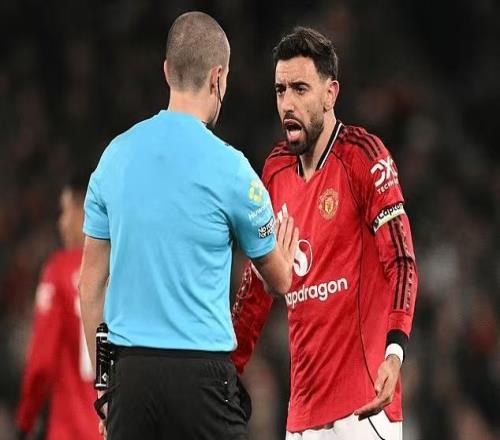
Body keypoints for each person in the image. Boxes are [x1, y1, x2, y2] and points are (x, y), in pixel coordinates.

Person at [79, 11, 298, 440]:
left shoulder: (113, 158)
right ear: (219, 78)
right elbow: (279, 281)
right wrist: (285, 262)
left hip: (131, 378)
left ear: (167, 71)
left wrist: (105, 387)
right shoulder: (233, 169)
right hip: (202, 380)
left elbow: (89, 288)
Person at [231, 27, 418, 440]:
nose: (288, 103)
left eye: (300, 89)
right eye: (280, 90)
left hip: (364, 411)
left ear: (330, 93)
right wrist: (230, 365)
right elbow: (259, 281)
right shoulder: (274, 171)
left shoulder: (364, 157)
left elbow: (402, 261)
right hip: (301, 418)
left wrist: (394, 353)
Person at [16, 172, 100, 440]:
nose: (61, 223)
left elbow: (41, 364)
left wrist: (25, 421)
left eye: (64, 211)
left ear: (81, 210)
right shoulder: (123, 270)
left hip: (71, 429)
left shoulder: (59, 270)